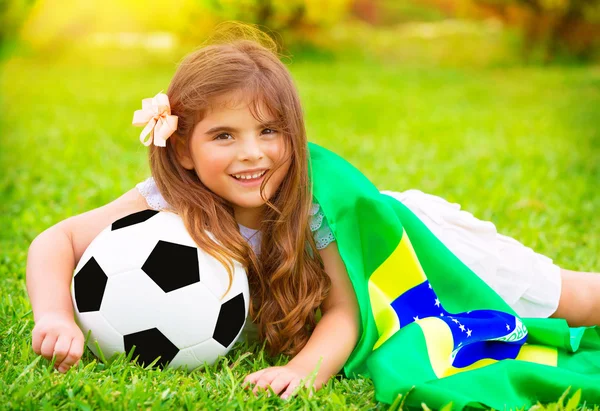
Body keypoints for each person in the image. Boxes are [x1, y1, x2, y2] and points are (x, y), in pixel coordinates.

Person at [25, 23, 600, 400]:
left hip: (414, 250)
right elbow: (56, 242)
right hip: (382, 279)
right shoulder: (165, 199)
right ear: (182, 148)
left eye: (270, 131)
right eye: (224, 135)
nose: (252, 154)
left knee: (576, 302)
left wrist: (303, 371)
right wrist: (52, 315)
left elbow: (346, 312)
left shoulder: (316, 204)